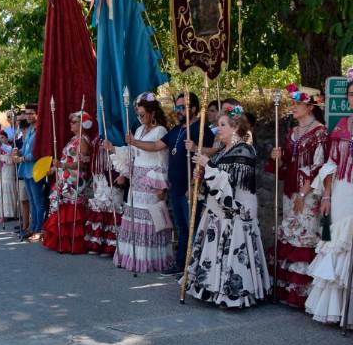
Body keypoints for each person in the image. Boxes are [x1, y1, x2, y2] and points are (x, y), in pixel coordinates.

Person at [183, 105, 270, 308]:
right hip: (219, 210)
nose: (218, 128)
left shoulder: (245, 150)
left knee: (233, 249)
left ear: (235, 127)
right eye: (218, 124)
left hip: (236, 212)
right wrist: (203, 174)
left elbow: (231, 184)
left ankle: (235, 294)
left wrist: (209, 166)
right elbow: (216, 180)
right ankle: (215, 287)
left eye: (222, 125)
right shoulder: (223, 151)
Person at [129, 93, 215, 275]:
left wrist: (194, 184)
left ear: (193, 109)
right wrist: (134, 141)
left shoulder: (201, 129)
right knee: (183, 228)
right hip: (175, 188)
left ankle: (194, 268)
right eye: (177, 107)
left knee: (194, 228)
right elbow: (155, 146)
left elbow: (204, 159)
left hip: (190, 188)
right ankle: (181, 265)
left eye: (182, 107)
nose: (178, 111)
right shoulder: (176, 130)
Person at [266, 85, 327, 308]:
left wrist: (303, 193)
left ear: (310, 107)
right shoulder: (292, 133)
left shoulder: (320, 133)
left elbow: (319, 167)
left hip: (308, 193)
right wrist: (277, 158)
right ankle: (288, 290)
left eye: (297, 104)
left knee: (305, 234)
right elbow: (286, 165)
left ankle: (304, 294)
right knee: (290, 233)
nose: (293, 107)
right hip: (290, 191)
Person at [305, 68, 353, 327]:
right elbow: (331, 164)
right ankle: (336, 309)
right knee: (336, 241)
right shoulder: (342, 126)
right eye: (352, 95)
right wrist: (327, 196)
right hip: (343, 190)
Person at [105, 93, 172, 273]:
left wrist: (162, 186)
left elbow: (157, 150)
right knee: (135, 216)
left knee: (150, 217)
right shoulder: (140, 130)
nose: (140, 118)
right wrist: (114, 149)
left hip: (151, 179)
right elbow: (133, 152)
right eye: (138, 115)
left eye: (142, 115)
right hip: (137, 179)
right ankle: (133, 257)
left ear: (152, 113)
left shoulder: (161, 131)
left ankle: (150, 260)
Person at [42, 112, 92, 254]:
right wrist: (53, 169)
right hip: (64, 178)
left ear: (82, 124)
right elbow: (66, 160)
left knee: (71, 210)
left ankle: (72, 243)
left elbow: (81, 164)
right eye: (71, 122)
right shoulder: (73, 139)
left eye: (74, 122)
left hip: (74, 180)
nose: (71, 124)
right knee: (62, 208)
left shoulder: (82, 141)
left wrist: (62, 166)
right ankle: (61, 242)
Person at [85, 131, 124, 257]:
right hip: (99, 175)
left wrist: (123, 174)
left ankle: (111, 246)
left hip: (113, 174)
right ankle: (98, 244)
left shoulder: (117, 131)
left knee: (112, 206)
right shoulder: (98, 134)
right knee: (100, 207)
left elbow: (125, 154)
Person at [14, 105, 44, 240]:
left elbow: (36, 153)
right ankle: (32, 227)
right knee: (31, 200)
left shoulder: (39, 130)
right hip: (26, 169)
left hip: (35, 169)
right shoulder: (30, 129)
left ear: (37, 114)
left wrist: (21, 158)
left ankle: (39, 229)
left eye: (32, 113)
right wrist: (18, 152)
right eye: (27, 113)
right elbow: (26, 149)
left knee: (38, 201)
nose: (29, 116)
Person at [0, 131, 19, 223]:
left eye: (2, 137)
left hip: (9, 170)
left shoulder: (11, 148)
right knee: (1, 191)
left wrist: (1, 156)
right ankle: (2, 212)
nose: (1, 140)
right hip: (1, 171)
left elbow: (11, 160)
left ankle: (8, 214)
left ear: (6, 138)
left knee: (7, 190)